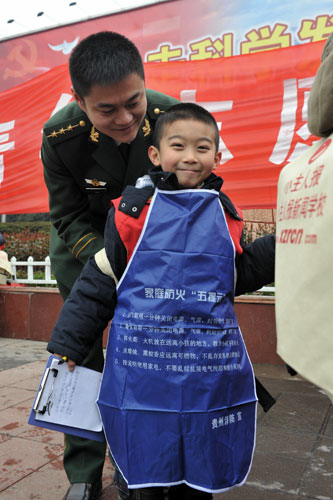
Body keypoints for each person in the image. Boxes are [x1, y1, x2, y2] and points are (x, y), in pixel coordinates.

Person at [47, 103, 275, 500]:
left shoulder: (225, 215)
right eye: (178, 145)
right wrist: (68, 343)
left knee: (199, 464)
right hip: (143, 372)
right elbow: (100, 279)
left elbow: (235, 275)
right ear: (155, 154)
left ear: (218, 157)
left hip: (205, 373)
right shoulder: (133, 214)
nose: (190, 156)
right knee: (145, 464)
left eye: (203, 147)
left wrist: (285, 245)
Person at [41, 31, 178, 500]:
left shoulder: (171, 118)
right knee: (80, 356)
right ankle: (83, 474)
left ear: (143, 83)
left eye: (133, 101)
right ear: (80, 101)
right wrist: (105, 257)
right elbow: (66, 214)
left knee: (148, 354)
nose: (125, 118)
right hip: (86, 255)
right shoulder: (61, 137)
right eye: (106, 110)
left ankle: (147, 460)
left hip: (153, 253)